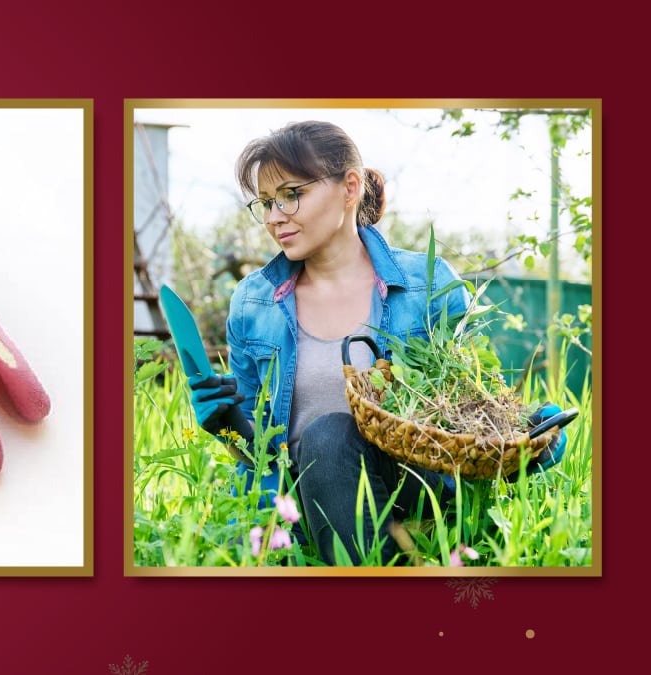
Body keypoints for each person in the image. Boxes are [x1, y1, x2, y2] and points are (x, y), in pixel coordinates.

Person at [188, 120, 471, 565]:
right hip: (301, 508)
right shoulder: (253, 302)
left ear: (350, 187)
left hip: (416, 498)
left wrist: (536, 441)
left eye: (290, 194)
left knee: (331, 434)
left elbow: (471, 412)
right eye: (265, 202)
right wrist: (227, 424)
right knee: (325, 437)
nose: (274, 216)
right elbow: (257, 455)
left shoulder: (429, 285)